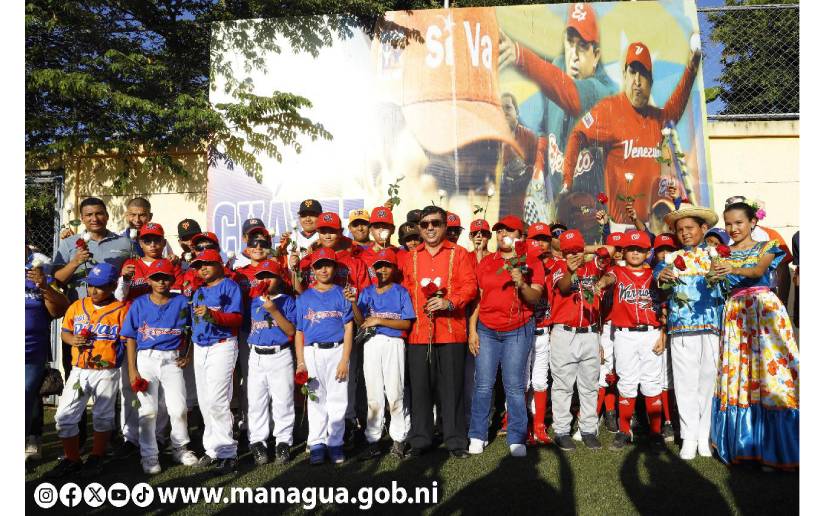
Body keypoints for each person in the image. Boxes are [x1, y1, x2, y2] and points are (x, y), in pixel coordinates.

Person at [499, 2, 617, 232]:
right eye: (570, 43)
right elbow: (544, 129)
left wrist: (520, 56)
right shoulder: (558, 67)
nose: (574, 55)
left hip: (592, 215)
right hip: (559, 211)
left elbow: (571, 94)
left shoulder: (602, 91)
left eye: (583, 46)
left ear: (596, 55)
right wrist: (539, 167)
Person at [562, 39, 702, 227]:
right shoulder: (609, 109)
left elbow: (675, 106)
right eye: (632, 72)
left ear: (650, 82)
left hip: (652, 228)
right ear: (624, 75)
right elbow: (577, 134)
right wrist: (567, 181)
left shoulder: (657, 119)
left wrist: (691, 68)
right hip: (620, 227)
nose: (637, 81)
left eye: (642, 74)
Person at [709, 200, 799, 470]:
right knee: (742, 376)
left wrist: (730, 268)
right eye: (728, 224)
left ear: (752, 223)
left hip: (765, 311)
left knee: (772, 375)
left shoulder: (767, 246)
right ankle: (747, 447)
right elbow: (714, 282)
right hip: (737, 313)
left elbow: (759, 271)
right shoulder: (721, 253)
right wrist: (712, 274)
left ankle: (779, 448)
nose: (733, 228)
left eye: (739, 222)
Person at [401, 205, 478, 458]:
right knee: (420, 390)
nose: (430, 228)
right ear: (419, 228)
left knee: (452, 389)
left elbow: (470, 287)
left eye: (435, 223)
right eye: (425, 224)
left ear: (445, 226)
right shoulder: (410, 257)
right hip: (419, 334)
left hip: (451, 332)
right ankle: (420, 440)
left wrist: (450, 302)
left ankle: (455, 441)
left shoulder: (461, 253)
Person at [468, 216, 544, 457]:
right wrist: (472, 330)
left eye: (508, 231)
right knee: (483, 385)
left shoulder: (531, 262)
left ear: (519, 235)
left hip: (518, 329)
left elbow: (534, 298)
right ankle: (477, 435)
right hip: (487, 330)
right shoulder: (487, 262)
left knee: (514, 385)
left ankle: (517, 436)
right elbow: (478, 299)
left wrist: (521, 283)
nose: (502, 235)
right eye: (499, 231)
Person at [655, 204, 726, 460]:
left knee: (708, 384)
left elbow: (729, 283)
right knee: (685, 384)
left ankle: (705, 436)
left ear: (703, 229)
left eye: (690, 228)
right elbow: (660, 283)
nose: (685, 233)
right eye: (680, 229)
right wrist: (662, 276)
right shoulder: (670, 258)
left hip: (711, 326)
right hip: (682, 329)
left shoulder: (717, 256)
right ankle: (688, 437)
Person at [47, 263, 129, 479]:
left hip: (107, 370)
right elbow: (65, 333)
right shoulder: (77, 305)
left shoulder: (122, 309)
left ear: (113, 286)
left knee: (103, 416)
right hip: (79, 370)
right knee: (64, 416)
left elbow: (126, 341)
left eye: (99, 287)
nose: (93, 291)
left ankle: (97, 456)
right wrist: (71, 339)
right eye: (90, 285)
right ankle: (72, 459)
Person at [122, 259, 198, 474]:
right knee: (149, 409)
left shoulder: (182, 302)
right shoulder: (139, 303)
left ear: (173, 279)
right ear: (148, 280)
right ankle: (149, 455)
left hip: (172, 359)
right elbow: (129, 337)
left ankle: (180, 447)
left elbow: (193, 330)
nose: (161, 282)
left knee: (178, 407)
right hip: (146, 358)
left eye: (165, 277)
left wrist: (188, 354)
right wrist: (132, 369)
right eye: (156, 278)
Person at [595, 231, 666, 450]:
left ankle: (655, 433)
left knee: (652, 382)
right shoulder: (617, 271)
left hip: (651, 333)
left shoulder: (655, 274)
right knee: (626, 382)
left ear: (647, 252)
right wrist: (602, 283)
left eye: (640, 249)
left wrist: (663, 332)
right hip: (624, 334)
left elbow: (665, 305)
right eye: (631, 249)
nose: (636, 253)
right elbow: (609, 278)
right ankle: (625, 431)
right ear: (624, 252)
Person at [116, 222, 178, 458]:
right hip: (137, 331)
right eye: (147, 240)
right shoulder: (131, 264)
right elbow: (120, 296)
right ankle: (130, 437)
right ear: (139, 243)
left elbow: (179, 294)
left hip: (163, 331)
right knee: (131, 387)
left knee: (160, 391)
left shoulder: (169, 264)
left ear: (163, 241)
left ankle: (159, 436)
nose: (152, 245)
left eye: (156, 240)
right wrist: (125, 279)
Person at [348, 248, 414, 460]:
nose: (382, 269)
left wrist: (379, 320)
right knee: (374, 396)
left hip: (394, 342)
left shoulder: (401, 291)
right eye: (378, 266)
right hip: (371, 343)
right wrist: (352, 302)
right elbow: (359, 321)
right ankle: (373, 441)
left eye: (386, 265)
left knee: (395, 393)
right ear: (373, 269)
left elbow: (406, 322)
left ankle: (399, 439)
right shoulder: (367, 292)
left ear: (394, 268)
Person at [294, 248, 355, 465]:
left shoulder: (342, 293)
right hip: (313, 351)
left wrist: (344, 360)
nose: (323, 269)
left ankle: (335, 443)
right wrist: (301, 362)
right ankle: (317, 442)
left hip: (337, 349)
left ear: (335, 267)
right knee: (316, 397)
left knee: (338, 399)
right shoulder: (305, 298)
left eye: (328, 264)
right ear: (312, 269)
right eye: (319, 265)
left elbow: (349, 328)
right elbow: (299, 332)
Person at [547, 229, 606, 451]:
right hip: (564, 334)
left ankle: (588, 429)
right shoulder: (556, 268)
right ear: (562, 252)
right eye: (568, 251)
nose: (572, 254)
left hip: (590, 332)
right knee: (563, 385)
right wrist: (569, 267)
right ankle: (562, 430)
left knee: (589, 385)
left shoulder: (592, 268)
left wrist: (586, 253)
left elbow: (609, 251)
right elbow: (562, 288)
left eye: (576, 250)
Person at [189, 249, 244, 475]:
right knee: (204, 401)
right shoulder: (199, 290)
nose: (202, 267)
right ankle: (212, 448)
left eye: (207, 263)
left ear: (219, 264)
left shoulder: (230, 286)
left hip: (222, 344)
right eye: (199, 264)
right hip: (200, 347)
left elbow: (237, 318)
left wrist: (213, 315)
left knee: (218, 400)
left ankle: (228, 452)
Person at [246, 260, 297, 466]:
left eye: (270, 276)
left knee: (283, 400)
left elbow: (291, 331)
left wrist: (274, 310)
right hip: (256, 355)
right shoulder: (252, 300)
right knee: (257, 401)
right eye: (261, 277)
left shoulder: (287, 301)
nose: (265, 280)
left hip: (280, 354)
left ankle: (283, 441)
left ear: (279, 278)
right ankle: (257, 441)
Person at [25, 248, 70, 461]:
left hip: (32, 349)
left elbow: (60, 310)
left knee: (27, 393)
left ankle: (30, 438)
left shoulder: (40, 274)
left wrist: (43, 286)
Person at [525, 222, 558, 444]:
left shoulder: (557, 265)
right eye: (535, 238)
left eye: (544, 239)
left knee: (540, 380)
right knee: (521, 381)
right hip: (522, 330)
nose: (540, 243)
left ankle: (539, 426)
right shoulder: (521, 263)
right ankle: (523, 424)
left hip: (544, 330)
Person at [498, 93, 548, 222]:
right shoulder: (489, 140)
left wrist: (523, 172)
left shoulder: (530, 137)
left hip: (522, 208)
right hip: (498, 207)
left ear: (517, 112)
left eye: (508, 107)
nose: (504, 112)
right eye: (500, 109)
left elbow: (542, 170)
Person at [652, 232, 679, 441]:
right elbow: (660, 303)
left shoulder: (684, 265)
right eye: (660, 249)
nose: (664, 254)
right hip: (663, 328)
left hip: (681, 326)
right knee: (663, 376)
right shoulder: (656, 270)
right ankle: (667, 422)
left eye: (668, 249)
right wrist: (662, 330)